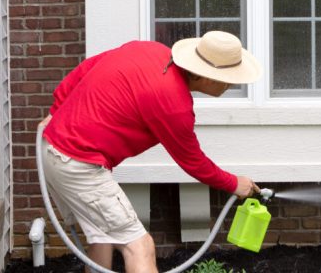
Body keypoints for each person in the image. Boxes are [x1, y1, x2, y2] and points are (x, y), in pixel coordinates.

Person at [39, 30, 262, 273]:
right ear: (207, 77)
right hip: (77, 164)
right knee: (139, 246)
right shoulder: (174, 104)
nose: (232, 84)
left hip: (54, 147)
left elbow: (89, 66)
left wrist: (56, 109)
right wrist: (234, 183)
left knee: (103, 236)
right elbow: (193, 162)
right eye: (229, 78)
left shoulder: (150, 50)